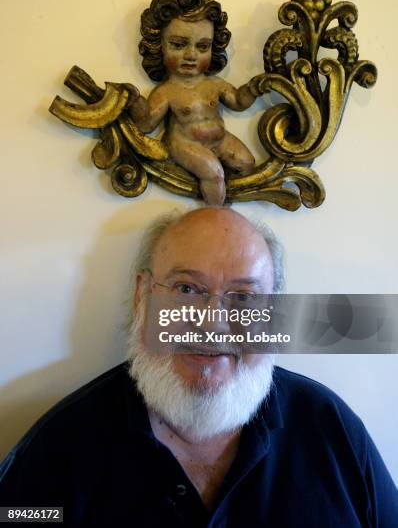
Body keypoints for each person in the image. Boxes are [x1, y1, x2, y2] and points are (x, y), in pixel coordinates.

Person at [0, 207, 397, 527]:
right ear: (142, 296)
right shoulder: (58, 447)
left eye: (243, 297)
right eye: (187, 289)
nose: (212, 322)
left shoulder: (334, 430)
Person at [128, 0, 264, 205]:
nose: (191, 55)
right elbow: (146, 124)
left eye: (202, 47)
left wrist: (252, 89)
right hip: (185, 144)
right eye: (178, 45)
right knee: (214, 174)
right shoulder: (166, 91)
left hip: (219, 140)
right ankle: (215, 214)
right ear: (159, 46)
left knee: (246, 162)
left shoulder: (214, 84)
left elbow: (238, 102)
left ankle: (224, 196)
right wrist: (134, 102)